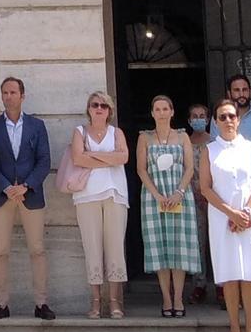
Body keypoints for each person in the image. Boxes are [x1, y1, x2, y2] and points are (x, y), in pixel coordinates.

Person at [0, 77, 55, 321]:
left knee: (37, 250)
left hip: (30, 195)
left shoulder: (36, 125)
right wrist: (5, 187)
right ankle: (2, 304)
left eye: (13, 92)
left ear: (22, 96)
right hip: (1, 196)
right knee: (0, 251)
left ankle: (41, 303)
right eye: (5, 92)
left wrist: (26, 186)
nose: (8, 96)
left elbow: (44, 160)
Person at [200, 99, 251, 332]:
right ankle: (234, 329)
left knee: (249, 272)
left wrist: (245, 212)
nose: (228, 121)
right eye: (222, 117)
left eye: (231, 116)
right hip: (221, 217)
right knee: (229, 274)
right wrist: (230, 212)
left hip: (249, 217)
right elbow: (205, 187)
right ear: (215, 122)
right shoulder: (210, 151)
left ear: (238, 119)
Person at [210, 75, 251, 310]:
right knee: (227, 249)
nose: (241, 93)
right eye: (236, 89)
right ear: (230, 92)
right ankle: (229, 299)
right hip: (224, 198)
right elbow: (213, 150)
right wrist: (231, 210)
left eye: (245, 89)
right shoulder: (220, 117)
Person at [136, 95, 201, 317]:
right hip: (154, 198)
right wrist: (157, 195)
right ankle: (166, 298)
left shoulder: (182, 136)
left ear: (172, 112)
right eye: (157, 109)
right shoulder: (144, 138)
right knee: (160, 248)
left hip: (179, 197)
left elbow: (190, 168)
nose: (162, 112)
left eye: (165, 108)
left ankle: (179, 298)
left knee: (178, 247)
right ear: (152, 113)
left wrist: (178, 192)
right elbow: (141, 170)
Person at [71, 91, 130, 319]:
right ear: (88, 108)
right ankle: (95, 303)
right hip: (86, 196)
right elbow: (78, 158)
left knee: (115, 248)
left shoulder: (117, 132)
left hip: (115, 194)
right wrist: (109, 158)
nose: (99, 108)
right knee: (92, 248)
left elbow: (123, 158)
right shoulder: (79, 131)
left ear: (109, 111)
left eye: (104, 106)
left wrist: (92, 156)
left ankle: (115, 302)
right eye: (95, 105)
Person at [186, 103, 217, 305]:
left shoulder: (215, 142)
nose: (198, 119)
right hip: (192, 198)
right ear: (189, 120)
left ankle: (223, 286)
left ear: (208, 120)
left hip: (214, 198)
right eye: (194, 116)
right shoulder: (185, 143)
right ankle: (200, 284)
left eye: (202, 116)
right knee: (197, 243)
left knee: (217, 242)